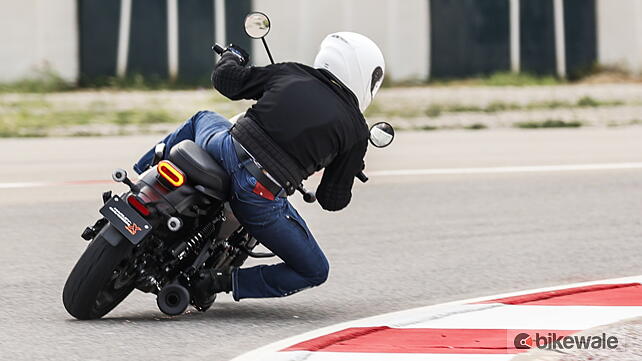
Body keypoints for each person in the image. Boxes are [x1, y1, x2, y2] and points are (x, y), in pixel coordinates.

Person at [133, 32, 385, 308]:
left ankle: (142, 179)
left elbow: (226, 81)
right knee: (314, 270)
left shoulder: (293, 73)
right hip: (259, 194)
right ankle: (215, 280)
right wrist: (348, 167)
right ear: (366, 77)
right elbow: (331, 200)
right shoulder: (356, 130)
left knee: (202, 118)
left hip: (225, 148)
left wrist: (232, 56)